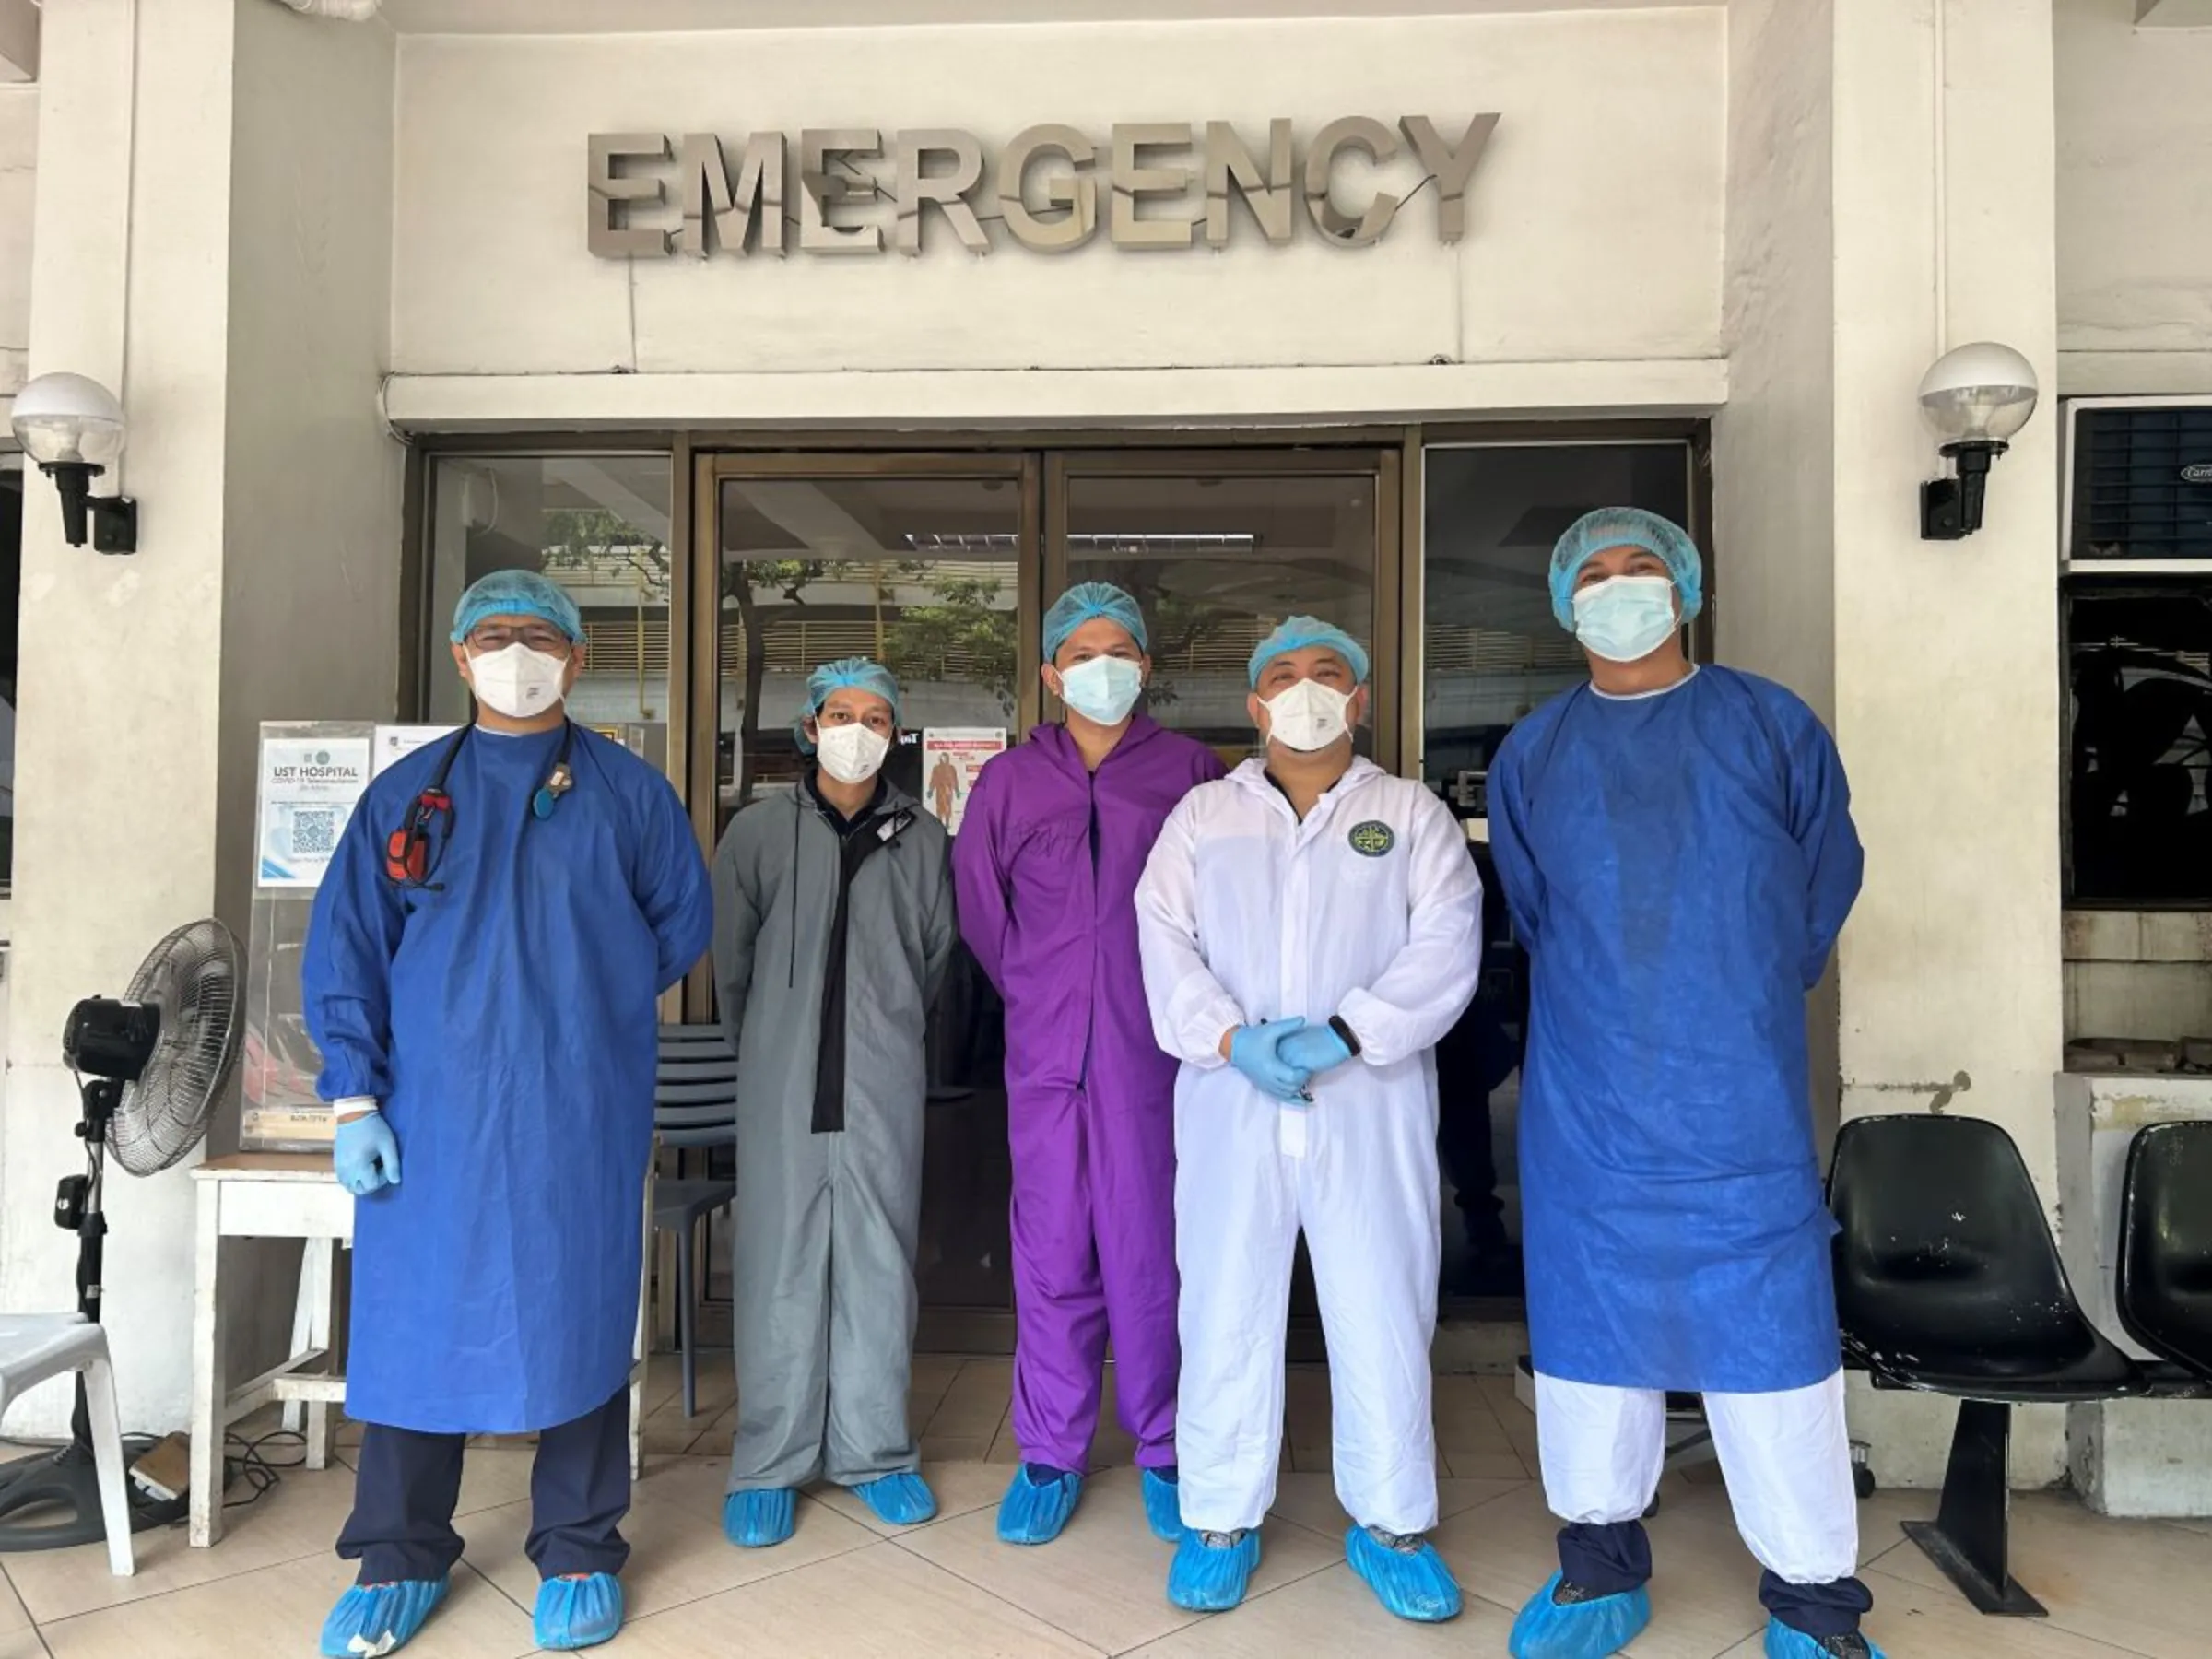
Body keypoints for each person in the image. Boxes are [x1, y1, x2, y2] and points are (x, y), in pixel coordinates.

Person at [1485, 509, 1876, 1659]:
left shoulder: (1767, 724)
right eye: (1593, 576)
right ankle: (1600, 1568)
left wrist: (1733, 984)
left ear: (1686, 588)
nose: (1617, 590)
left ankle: (1813, 1603)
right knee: (1589, 1344)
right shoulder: (1535, 753)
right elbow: (1539, 916)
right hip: (1588, 1105)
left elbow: (1820, 884)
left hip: (1736, 1101)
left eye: (1639, 569)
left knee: (1773, 1355)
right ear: (1564, 605)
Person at [303, 570, 711, 1657]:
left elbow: (681, 924)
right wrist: (355, 1097)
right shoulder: (404, 799)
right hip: (427, 1117)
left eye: (539, 635)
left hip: (576, 1110)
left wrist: (581, 998)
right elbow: (346, 945)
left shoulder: (629, 795)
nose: (516, 650)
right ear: (458, 656)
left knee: (575, 1318)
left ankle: (578, 1544)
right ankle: (398, 1552)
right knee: (417, 1325)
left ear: (578, 659)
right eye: (494, 634)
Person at [1135, 617, 1483, 1622]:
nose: (1304, 689)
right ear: (1253, 706)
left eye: (1326, 674)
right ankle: (1217, 1517)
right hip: (1230, 1106)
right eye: (1281, 676)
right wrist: (1229, 1038)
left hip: (1365, 1106)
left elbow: (1447, 944)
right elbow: (1161, 939)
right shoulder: (1205, 815)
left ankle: (1393, 1522)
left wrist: (1350, 1031)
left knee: (1380, 1307)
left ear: (1360, 699)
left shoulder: (1409, 814)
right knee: (1225, 1307)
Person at [952, 582, 1226, 1547]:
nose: (1101, 667)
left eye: (1120, 651)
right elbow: (985, 918)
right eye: (1081, 651)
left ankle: (1164, 1444)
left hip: (1155, 1057)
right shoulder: (1008, 783)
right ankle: (1050, 1452)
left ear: (1146, 669)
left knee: (1152, 1250)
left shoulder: (1194, 773)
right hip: (1045, 1055)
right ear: (1050, 672)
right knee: (1053, 1248)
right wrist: (1045, 989)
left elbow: (1221, 914)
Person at [714, 657, 958, 1548]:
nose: (858, 729)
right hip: (779, 1083)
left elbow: (932, 964)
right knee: (777, 1262)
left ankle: (876, 1453)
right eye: (841, 712)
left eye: (876, 716)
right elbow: (731, 965)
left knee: (878, 1264)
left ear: (897, 733)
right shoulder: (757, 834)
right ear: (810, 726)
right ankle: (769, 1462)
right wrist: (771, 1047)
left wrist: (883, 1037)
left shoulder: (923, 839)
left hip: (880, 1084)